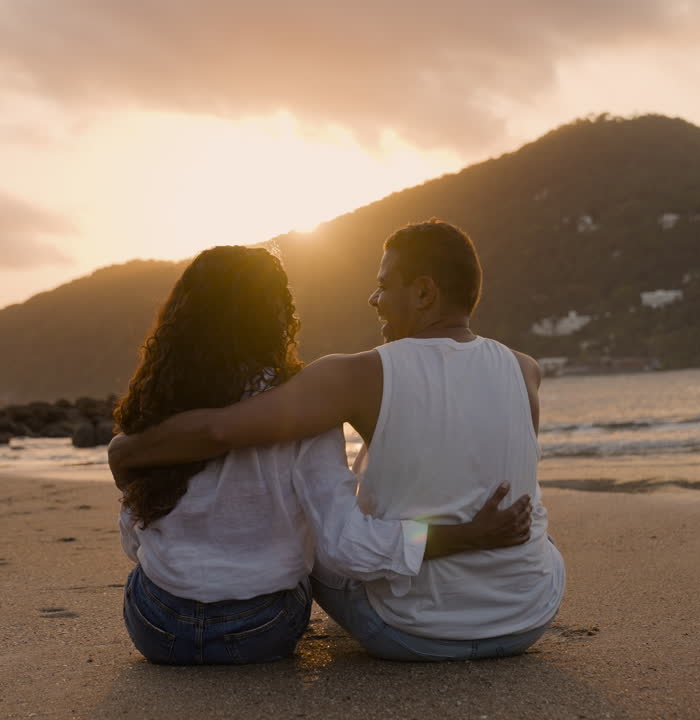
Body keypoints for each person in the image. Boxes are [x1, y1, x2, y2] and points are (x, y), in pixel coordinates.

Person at [110, 221, 565, 661]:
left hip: (410, 630)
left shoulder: (353, 375)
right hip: (529, 615)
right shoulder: (525, 368)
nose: (374, 298)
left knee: (323, 538)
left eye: (384, 285)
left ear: (424, 293)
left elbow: (221, 430)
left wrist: (128, 451)